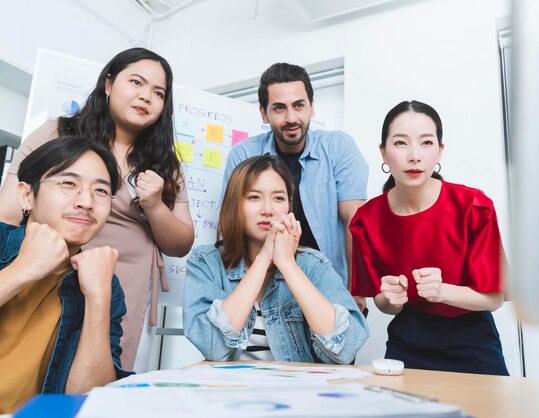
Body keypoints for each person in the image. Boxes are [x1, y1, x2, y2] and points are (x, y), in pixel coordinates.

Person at [0, 48, 194, 371]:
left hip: (123, 279)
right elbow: (8, 212)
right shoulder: (58, 132)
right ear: (108, 83)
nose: (146, 96)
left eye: (158, 93)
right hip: (48, 268)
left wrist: (155, 206)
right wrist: (31, 263)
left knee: (99, 369)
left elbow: (180, 243)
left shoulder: (165, 163)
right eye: (136, 82)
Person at [350, 100, 509, 375]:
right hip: (407, 345)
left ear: (439, 151)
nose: (414, 155)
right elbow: (382, 302)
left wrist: (441, 291)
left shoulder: (474, 206)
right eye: (400, 143)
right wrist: (392, 299)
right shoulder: (366, 220)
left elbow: (495, 297)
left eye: (426, 143)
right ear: (383, 153)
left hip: (473, 344)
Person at [185, 155, 368, 363]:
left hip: (296, 391)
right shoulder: (205, 262)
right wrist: (264, 258)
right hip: (230, 390)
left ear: (289, 206)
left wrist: (287, 264)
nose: (268, 209)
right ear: (235, 204)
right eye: (254, 197)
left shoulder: (313, 264)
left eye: (279, 198)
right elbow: (213, 348)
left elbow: (346, 350)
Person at [0, 136, 132, 413]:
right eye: (68, 184)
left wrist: (98, 298)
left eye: (100, 191)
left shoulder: (106, 283)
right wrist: (23, 270)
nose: (86, 202)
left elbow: (86, 398)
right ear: (26, 195)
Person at [222, 63, 368, 310]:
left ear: (312, 106)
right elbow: (230, 224)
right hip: (261, 288)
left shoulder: (338, 148)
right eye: (279, 108)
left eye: (299, 105)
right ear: (263, 113)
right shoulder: (243, 154)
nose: (291, 118)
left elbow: (354, 222)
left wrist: (355, 292)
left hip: (325, 287)